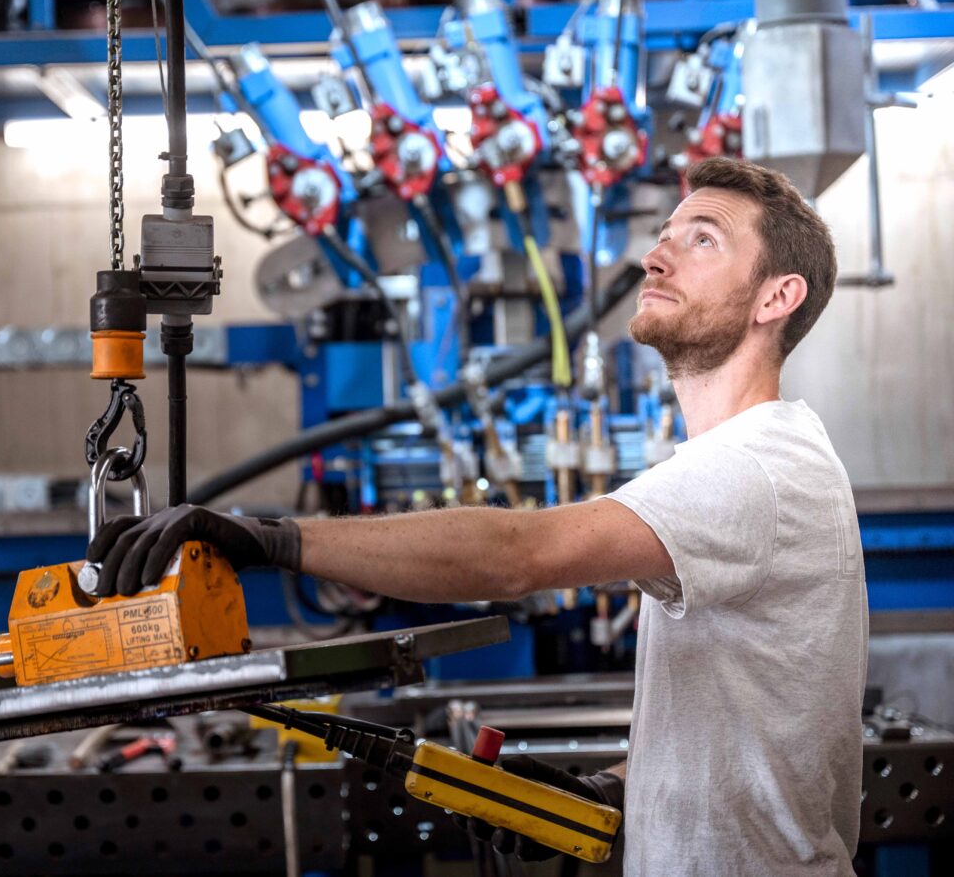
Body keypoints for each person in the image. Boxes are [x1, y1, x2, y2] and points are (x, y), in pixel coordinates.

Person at [87, 157, 868, 877]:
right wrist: (608, 787)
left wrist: (270, 539)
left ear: (778, 296)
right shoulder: (737, 460)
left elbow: (516, 557)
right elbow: (733, 721)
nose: (656, 257)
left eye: (703, 240)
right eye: (663, 236)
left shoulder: (754, 467)